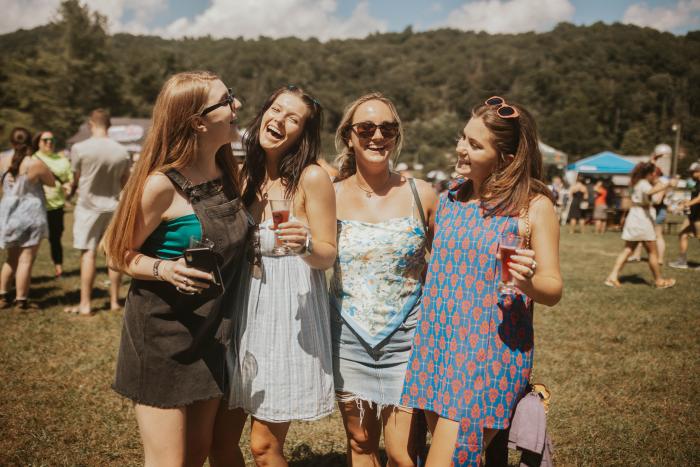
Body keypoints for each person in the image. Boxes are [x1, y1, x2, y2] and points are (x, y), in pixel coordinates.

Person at [401, 96, 563, 466]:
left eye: (475, 145)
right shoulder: (451, 199)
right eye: (463, 137)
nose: (460, 148)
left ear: (505, 158)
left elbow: (553, 288)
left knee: (448, 459)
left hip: (488, 354)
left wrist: (528, 282)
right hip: (436, 345)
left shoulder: (533, 206)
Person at [104, 71, 249, 466]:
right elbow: (115, 250)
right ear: (198, 121)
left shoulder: (226, 172)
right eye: (226, 101)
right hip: (163, 338)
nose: (237, 106)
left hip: (211, 334)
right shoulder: (161, 184)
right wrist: (163, 270)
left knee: (195, 455)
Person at [226, 85, 337, 466]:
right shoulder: (244, 173)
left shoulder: (312, 178)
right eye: (276, 109)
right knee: (218, 441)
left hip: (286, 316)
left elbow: (327, 255)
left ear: (303, 133)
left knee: (263, 446)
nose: (279, 120)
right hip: (241, 310)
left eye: (293, 118)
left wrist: (306, 243)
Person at [329, 93, 438, 466]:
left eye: (387, 128)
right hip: (348, 338)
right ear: (349, 135)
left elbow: (446, 267)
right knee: (360, 445)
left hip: (409, 337)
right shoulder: (330, 196)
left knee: (402, 454)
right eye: (366, 128)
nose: (378, 136)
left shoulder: (421, 193)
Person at [65, 109, 131, 315]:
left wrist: (69, 191)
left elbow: (76, 180)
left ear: (90, 124)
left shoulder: (80, 148)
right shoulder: (121, 151)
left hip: (87, 208)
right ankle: (114, 301)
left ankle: (85, 304)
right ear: (109, 125)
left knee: (88, 254)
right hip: (113, 206)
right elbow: (125, 184)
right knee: (113, 254)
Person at [0, 127, 55, 309]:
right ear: (31, 142)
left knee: (11, 258)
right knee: (25, 260)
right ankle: (21, 300)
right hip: (30, 214)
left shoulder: (2, 159)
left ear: (12, 142)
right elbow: (51, 182)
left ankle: (2, 296)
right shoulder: (34, 163)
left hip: (9, 213)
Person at [604, 162, 676, 288]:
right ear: (651, 173)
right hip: (642, 220)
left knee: (628, 250)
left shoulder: (638, 182)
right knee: (653, 252)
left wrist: (662, 186)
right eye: (655, 173)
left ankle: (612, 277)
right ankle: (659, 281)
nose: (656, 175)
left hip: (636, 217)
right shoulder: (643, 183)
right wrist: (667, 184)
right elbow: (651, 192)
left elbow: (656, 199)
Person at [33, 131, 73, 278]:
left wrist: (69, 185)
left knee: (55, 239)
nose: (49, 142)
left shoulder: (62, 160)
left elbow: (70, 178)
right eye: (45, 140)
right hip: (38, 208)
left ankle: (59, 268)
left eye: (52, 140)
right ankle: (25, 270)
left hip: (57, 206)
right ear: (38, 142)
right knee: (32, 243)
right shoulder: (33, 159)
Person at [669, 162, 700, 269]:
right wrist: (685, 201)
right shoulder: (697, 183)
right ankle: (682, 261)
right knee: (682, 234)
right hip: (693, 214)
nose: (691, 175)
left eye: (692, 173)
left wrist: (687, 204)